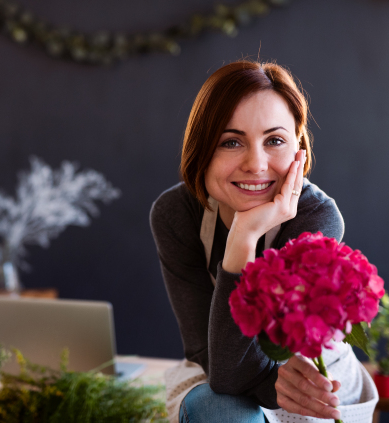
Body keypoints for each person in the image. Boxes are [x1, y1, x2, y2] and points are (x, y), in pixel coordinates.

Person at [150, 61, 372, 423]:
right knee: (216, 404)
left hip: (313, 383)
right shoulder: (176, 216)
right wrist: (244, 235)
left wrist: (266, 384)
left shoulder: (315, 218)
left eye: (275, 140)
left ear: (298, 150)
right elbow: (218, 366)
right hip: (228, 376)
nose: (256, 164)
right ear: (202, 149)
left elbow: (279, 361)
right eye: (231, 141)